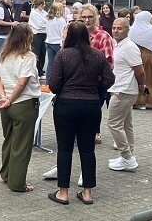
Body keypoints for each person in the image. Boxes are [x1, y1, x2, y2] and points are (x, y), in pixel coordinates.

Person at [46, 22, 115, 205]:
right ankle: (87, 193)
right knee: (87, 149)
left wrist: (65, 88)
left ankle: (63, 192)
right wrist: (95, 86)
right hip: (91, 105)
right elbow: (109, 79)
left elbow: (53, 84)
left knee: (65, 149)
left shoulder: (62, 55)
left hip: (66, 105)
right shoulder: (97, 55)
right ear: (87, 36)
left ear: (68, 36)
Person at [0, 23, 40, 193]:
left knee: (9, 139)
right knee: (22, 144)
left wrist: (3, 98)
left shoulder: (4, 55)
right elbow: (22, 82)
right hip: (24, 103)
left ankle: (5, 173)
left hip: (5, 103)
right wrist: (11, 99)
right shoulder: (28, 57)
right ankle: (17, 182)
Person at [106, 18, 146, 173]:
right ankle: (128, 156)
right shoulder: (119, 45)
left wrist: (142, 86)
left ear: (127, 30)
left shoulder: (129, 47)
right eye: (114, 28)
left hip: (124, 90)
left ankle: (127, 157)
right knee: (126, 124)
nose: (115, 30)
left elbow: (140, 70)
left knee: (114, 123)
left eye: (119, 28)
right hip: (120, 88)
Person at [130, 11, 152, 110]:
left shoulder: (133, 30)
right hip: (150, 57)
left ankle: (141, 101)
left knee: (140, 80)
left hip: (138, 57)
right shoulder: (151, 29)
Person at [45, 1, 67, 75]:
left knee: (50, 63)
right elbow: (63, 32)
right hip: (58, 43)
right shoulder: (61, 20)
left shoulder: (48, 19)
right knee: (60, 64)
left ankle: (48, 82)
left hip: (49, 41)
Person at [28, 0, 48, 77]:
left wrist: (45, 23)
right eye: (43, 4)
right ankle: (35, 70)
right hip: (36, 34)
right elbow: (39, 25)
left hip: (44, 34)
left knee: (43, 53)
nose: (44, 6)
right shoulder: (33, 13)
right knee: (36, 53)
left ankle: (40, 70)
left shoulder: (44, 12)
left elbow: (47, 21)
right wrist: (45, 23)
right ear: (40, 5)